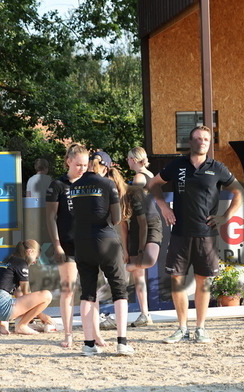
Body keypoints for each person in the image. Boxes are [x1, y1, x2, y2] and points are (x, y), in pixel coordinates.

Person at [149, 125, 244, 344]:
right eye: (199, 138)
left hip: (206, 234)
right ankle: (182, 328)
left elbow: (239, 192)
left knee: (203, 282)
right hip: (180, 233)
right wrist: (164, 207)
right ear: (190, 142)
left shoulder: (217, 168)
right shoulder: (177, 165)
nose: (203, 142)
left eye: (206, 139)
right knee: (177, 280)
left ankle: (200, 328)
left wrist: (226, 216)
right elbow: (153, 184)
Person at [71, 151, 135, 356]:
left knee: (87, 293)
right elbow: (116, 219)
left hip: (82, 242)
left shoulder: (74, 186)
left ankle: (88, 344)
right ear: (105, 167)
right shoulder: (108, 184)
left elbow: (75, 214)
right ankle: (122, 342)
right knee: (119, 290)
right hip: (106, 240)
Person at [45, 143, 89, 348]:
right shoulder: (58, 185)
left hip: (89, 242)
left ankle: (94, 334)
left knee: (90, 290)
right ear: (69, 161)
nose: (82, 169)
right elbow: (50, 217)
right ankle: (68, 334)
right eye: (78, 164)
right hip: (67, 243)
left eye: (85, 165)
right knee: (68, 289)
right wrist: (57, 245)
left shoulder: (90, 183)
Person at [125, 147, 163, 326]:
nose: (127, 161)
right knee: (139, 274)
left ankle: (123, 268)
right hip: (143, 222)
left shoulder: (140, 177)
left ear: (133, 159)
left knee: (145, 263)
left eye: (128, 158)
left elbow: (135, 200)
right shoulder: (149, 174)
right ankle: (145, 314)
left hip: (146, 221)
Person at [0, 240, 53, 335]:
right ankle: (22, 326)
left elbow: (19, 294)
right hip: (2, 307)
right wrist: (42, 316)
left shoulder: (8, 261)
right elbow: (27, 293)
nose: (34, 262)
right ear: (30, 251)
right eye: (36, 258)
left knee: (19, 298)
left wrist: (32, 315)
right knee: (47, 296)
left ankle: (5, 323)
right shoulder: (21, 263)